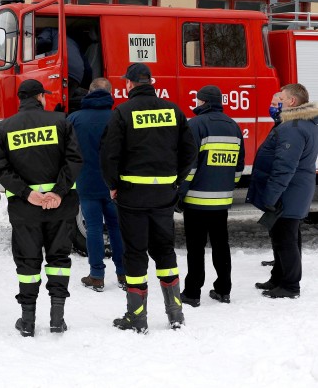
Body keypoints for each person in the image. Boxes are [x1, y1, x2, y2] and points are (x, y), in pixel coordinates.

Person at [100, 63, 197, 332]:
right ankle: (175, 314)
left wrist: (113, 184)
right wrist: (175, 179)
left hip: (132, 195)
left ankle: (137, 316)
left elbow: (109, 154)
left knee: (135, 252)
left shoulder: (122, 112)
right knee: (165, 250)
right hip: (165, 194)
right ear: (151, 82)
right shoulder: (173, 110)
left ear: (129, 84)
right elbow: (190, 150)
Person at [0, 79, 82, 337]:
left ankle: (28, 321)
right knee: (58, 260)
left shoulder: (5, 127)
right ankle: (57, 318)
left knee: (28, 261)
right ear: (41, 97)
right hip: (60, 206)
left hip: (25, 209)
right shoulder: (61, 122)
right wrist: (58, 191)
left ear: (21, 99)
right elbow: (75, 159)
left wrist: (27, 193)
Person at [247, 83, 318, 299]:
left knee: (285, 239)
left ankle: (289, 286)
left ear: (292, 102)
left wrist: (270, 197)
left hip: (288, 192)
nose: (275, 102)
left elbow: (284, 168)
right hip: (294, 190)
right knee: (283, 235)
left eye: (280, 98)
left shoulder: (293, 128)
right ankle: (278, 277)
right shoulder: (301, 124)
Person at [178, 85, 245, 307]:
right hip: (222, 201)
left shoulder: (195, 125)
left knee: (196, 248)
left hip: (197, 201)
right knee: (221, 245)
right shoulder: (233, 126)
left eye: (197, 100)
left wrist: (180, 193)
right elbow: (238, 167)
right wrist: (227, 188)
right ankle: (223, 289)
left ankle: (192, 293)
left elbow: (190, 166)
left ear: (203, 102)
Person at [67, 77, 125, 291]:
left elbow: (67, 150)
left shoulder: (74, 118)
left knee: (92, 228)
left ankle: (97, 276)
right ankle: (123, 274)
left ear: (89, 93)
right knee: (116, 227)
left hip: (87, 181)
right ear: (110, 93)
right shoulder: (118, 117)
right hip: (114, 184)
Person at [261, 91, 282, 268]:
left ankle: (284, 268)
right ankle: (279, 260)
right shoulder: (279, 124)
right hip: (276, 184)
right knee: (277, 228)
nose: (272, 108)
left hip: (281, 187)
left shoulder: (287, 128)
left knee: (285, 230)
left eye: (275, 105)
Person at [36, 27, 88, 99]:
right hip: (77, 75)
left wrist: (37, 55)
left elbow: (43, 41)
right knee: (66, 100)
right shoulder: (74, 43)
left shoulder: (49, 30)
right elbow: (87, 67)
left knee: (55, 101)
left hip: (63, 69)